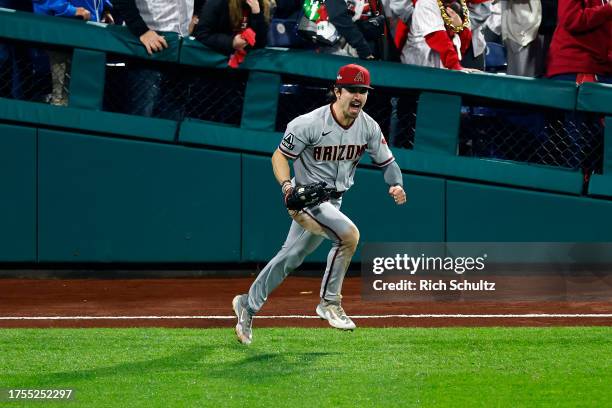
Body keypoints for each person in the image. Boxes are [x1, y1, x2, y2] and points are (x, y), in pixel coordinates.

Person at [231, 64, 407, 345]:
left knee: (290, 258)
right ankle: (329, 302)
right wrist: (287, 186)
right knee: (349, 236)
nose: (358, 96)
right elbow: (279, 156)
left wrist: (395, 184)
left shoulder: (368, 126)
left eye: (363, 91)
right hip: (308, 200)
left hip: (333, 200)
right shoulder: (309, 124)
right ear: (337, 91)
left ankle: (247, 305)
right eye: (352, 89)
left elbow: (388, 162)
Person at [401, 0, 475, 71]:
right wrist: (455, 66)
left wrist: (459, 29)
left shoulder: (461, 6)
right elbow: (438, 39)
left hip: (442, 68)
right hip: (417, 66)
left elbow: (463, 47)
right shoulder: (426, 3)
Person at [193, 0, 271, 56]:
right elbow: (202, 34)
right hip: (213, 63)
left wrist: (257, 14)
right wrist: (231, 42)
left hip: (243, 67)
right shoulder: (217, 3)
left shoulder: (260, 4)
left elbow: (261, 43)